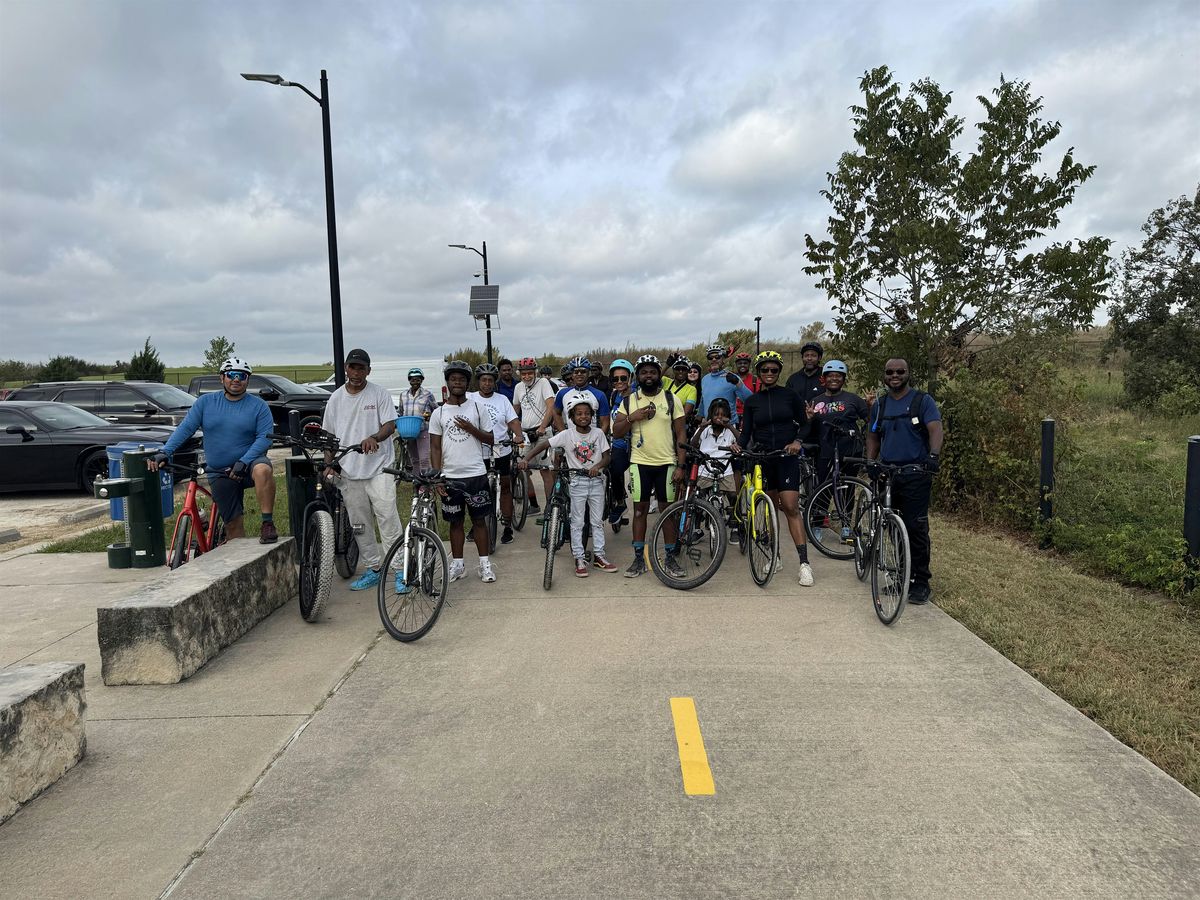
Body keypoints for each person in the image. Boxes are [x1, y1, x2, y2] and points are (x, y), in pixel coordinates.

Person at [151, 357, 277, 543]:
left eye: (242, 376)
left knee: (263, 469)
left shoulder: (259, 406)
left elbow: (265, 438)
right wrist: (165, 451)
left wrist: (244, 461)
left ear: (247, 380)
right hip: (219, 471)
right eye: (231, 375)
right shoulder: (205, 402)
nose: (236, 379)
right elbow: (186, 428)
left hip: (248, 466)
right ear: (222, 378)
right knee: (233, 526)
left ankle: (267, 523)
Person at [320, 349, 403, 592]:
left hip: (380, 469)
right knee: (359, 524)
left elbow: (390, 425)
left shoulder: (379, 393)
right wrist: (328, 464)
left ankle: (399, 570)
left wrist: (374, 437)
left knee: (388, 518)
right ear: (346, 368)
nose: (356, 373)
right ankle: (373, 568)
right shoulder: (336, 398)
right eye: (352, 367)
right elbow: (330, 437)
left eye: (361, 368)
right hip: (349, 472)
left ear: (369, 370)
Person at [865, 358, 944, 605]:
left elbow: (935, 428)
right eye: (890, 372)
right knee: (892, 527)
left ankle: (920, 582)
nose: (895, 375)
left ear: (908, 373)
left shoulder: (922, 401)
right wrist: (870, 461)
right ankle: (901, 576)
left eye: (900, 371)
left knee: (915, 527)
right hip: (888, 475)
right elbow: (873, 435)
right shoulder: (880, 404)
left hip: (915, 474)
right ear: (884, 376)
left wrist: (933, 456)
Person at [735, 349, 816, 586]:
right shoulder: (751, 401)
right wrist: (738, 446)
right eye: (765, 370)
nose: (769, 373)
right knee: (770, 511)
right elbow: (746, 433)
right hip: (763, 458)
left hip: (786, 456)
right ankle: (775, 555)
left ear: (779, 372)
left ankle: (804, 564)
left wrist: (797, 442)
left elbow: (804, 425)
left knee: (790, 506)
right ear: (758, 373)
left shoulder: (790, 396)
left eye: (774, 369)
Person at [520, 390, 618, 576]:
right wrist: (526, 458)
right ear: (571, 417)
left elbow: (607, 457)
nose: (583, 417)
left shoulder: (598, 434)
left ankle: (599, 555)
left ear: (592, 416)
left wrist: (598, 466)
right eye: (579, 414)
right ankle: (579, 558)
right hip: (577, 483)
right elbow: (544, 445)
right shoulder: (566, 435)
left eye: (587, 414)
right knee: (577, 522)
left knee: (597, 522)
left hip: (596, 482)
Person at [612, 354, 687, 578]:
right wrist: (632, 417)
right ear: (638, 375)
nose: (648, 376)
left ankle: (670, 558)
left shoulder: (672, 400)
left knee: (668, 512)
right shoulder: (629, 401)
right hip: (639, 463)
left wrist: (681, 465)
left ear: (658, 374)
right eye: (644, 372)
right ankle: (638, 558)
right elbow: (616, 431)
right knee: (640, 511)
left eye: (652, 372)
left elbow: (681, 434)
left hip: (667, 464)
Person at [429, 360, 497, 583]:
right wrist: (438, 476)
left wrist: (471, 428)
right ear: (447, 382)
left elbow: (490, 438)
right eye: (453, 379)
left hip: (475, 473)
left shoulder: (478, 408)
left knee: (479, 521)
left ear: (468, 383)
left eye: (462, 379)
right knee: (455, 523)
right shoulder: (439, 413)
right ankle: (458, 565)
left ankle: (484, 565)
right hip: (450, 477)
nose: (457, 382)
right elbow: (435, 447)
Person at [469, 362, 524, 545]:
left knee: (506, 487)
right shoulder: (470, 398)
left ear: (495, 381)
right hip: (478, 450)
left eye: (490, 380)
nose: (487, 383)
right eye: (483, 380)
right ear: (478, 382)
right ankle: (476, 523)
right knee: (478, 489)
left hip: (502, 448)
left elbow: (513, 420)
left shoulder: (502, 400)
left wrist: (518, 434)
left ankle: (507, 526)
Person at [807, 360, 870, 483]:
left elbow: (870, 421)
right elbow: (809, 429)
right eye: (830, 376)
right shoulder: (815, 401)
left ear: (843, 379)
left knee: (847, 492)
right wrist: (809, 419)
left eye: (838, 376)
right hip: (825, 452)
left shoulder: (854, 399)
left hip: (850, 452)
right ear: (824, 378)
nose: (834, 379)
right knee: (822, 493)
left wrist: (870, 407)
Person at [512, 357, 557, 512]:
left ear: (535, 372)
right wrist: (511, 429)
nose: (527, 377)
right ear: (519, 374)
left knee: (545, 470)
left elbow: (550, 406)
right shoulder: (518, 387)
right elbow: (515, 410)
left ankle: (550, 508)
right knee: (522, 467)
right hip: (525, 433)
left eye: (530, 373)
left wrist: (543, 426)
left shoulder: (543, 383)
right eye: (523, 374)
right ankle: (533, 504)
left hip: (541, 432)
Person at [691, 397, 739, 509]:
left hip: (725, 469)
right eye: (716, 415)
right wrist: (701, 429)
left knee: (732, 495)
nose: (719, 418)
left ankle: (734, 518)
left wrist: (730, 426)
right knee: (700, 495)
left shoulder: (730, 430)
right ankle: (697, 522)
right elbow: (693, 445)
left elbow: (742, 441)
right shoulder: (705, 430)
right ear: (710, 416)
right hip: (705, 469)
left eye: (723, 415)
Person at [605, 358, 635, 525]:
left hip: (635, 443)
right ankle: (620, 501)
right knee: (612, 469)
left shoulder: (638, 395)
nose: (619, 382)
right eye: (615, 379)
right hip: (617, 442)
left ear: (631, 377)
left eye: (623, 378)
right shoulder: (614, 395)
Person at [552, 357, 611, 433]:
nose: (579, 374)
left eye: (583, 371)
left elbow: (605, 424)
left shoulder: (599, 395)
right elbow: (556, 412)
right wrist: (564, 434)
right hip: (571, 441)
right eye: (576, 372)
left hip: (593, 441)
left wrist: (597, 440)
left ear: (588, 373)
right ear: (572, 374)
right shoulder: (562, 393)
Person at [699, 344, 753, 424]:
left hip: (729, 426)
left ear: (723, 359)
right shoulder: (704, 379)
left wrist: (738, 383)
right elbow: (703, 400)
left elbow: (750, 400)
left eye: (717, 357)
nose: (714, 359)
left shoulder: (731, 378)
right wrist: (699, 415)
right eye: (710, 357)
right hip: (710, 426)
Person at [398, 367, 438, 473]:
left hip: (422, 430)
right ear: (409, 380)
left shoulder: (427, 395)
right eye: (412, 379)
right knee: (414, 460)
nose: (415, 381)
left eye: (418, 379)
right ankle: (417, 482)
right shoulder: (403, 395)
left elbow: (437, 411)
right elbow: (400, 412)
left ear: (422, 380)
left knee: (424, 459)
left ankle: (424, 487)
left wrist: (430, 415)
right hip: (408, 431)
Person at [733, 352, 760, 420]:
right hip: (733, 415)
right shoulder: (731, 378)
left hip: (749, 415)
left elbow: (758, 399)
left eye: (745, 363)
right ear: (736, 364)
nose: (742, 365)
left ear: (749, 364)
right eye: (740, 363)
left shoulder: (755, 380)